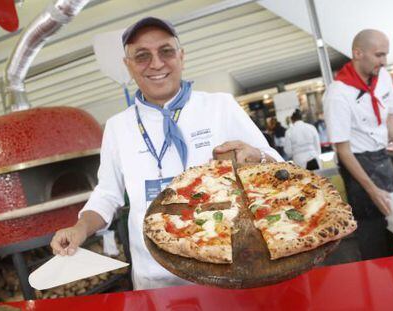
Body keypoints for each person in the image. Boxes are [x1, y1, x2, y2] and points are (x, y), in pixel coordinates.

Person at [50, 17, 283, 290]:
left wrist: (258, 157)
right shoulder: (117, 127)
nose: (157, 63)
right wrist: (80, 228)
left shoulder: (220, 105)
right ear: (128, 66)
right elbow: (107, 194)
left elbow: (278, 166)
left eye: (166, 51)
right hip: (156, 277)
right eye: (142, 56)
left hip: (228, 268)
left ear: (181, 56)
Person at [323, 29, 393, 260]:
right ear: (358, 53)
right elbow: (343, 150)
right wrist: (372, 190)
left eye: (385, 55)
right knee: (373, 234)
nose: (384, 61)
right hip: (358, 165)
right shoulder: (338, 93)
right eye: (379, 55)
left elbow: (389, 120)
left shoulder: (383, 77)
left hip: (382, 160)